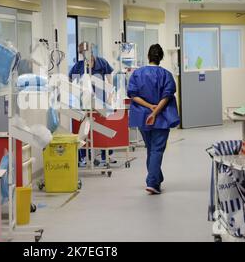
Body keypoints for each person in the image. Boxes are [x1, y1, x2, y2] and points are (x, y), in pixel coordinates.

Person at [127, 44, 180, 195]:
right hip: (161, 118)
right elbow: (167, 96)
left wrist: (149, 107)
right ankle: (152, 183)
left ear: (148, 56)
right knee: (157, 150)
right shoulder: (166, 75)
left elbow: (133, 95)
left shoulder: (137, 74)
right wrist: (155, 112)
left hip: (143, 117)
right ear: (161, 57)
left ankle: (156, 179)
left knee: (151, 149)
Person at [69, 41, 114, 167]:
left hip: (101, 101)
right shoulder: (78, 66)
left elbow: (110, 81)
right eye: (82, 53)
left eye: (86, 52)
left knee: (102, 128)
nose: (85, 55)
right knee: (84, 128)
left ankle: (107, 155)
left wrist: (110, 97)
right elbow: (71, 81)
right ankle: (84, 156)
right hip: (84, 103)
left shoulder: (102, 63)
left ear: (91, 51)